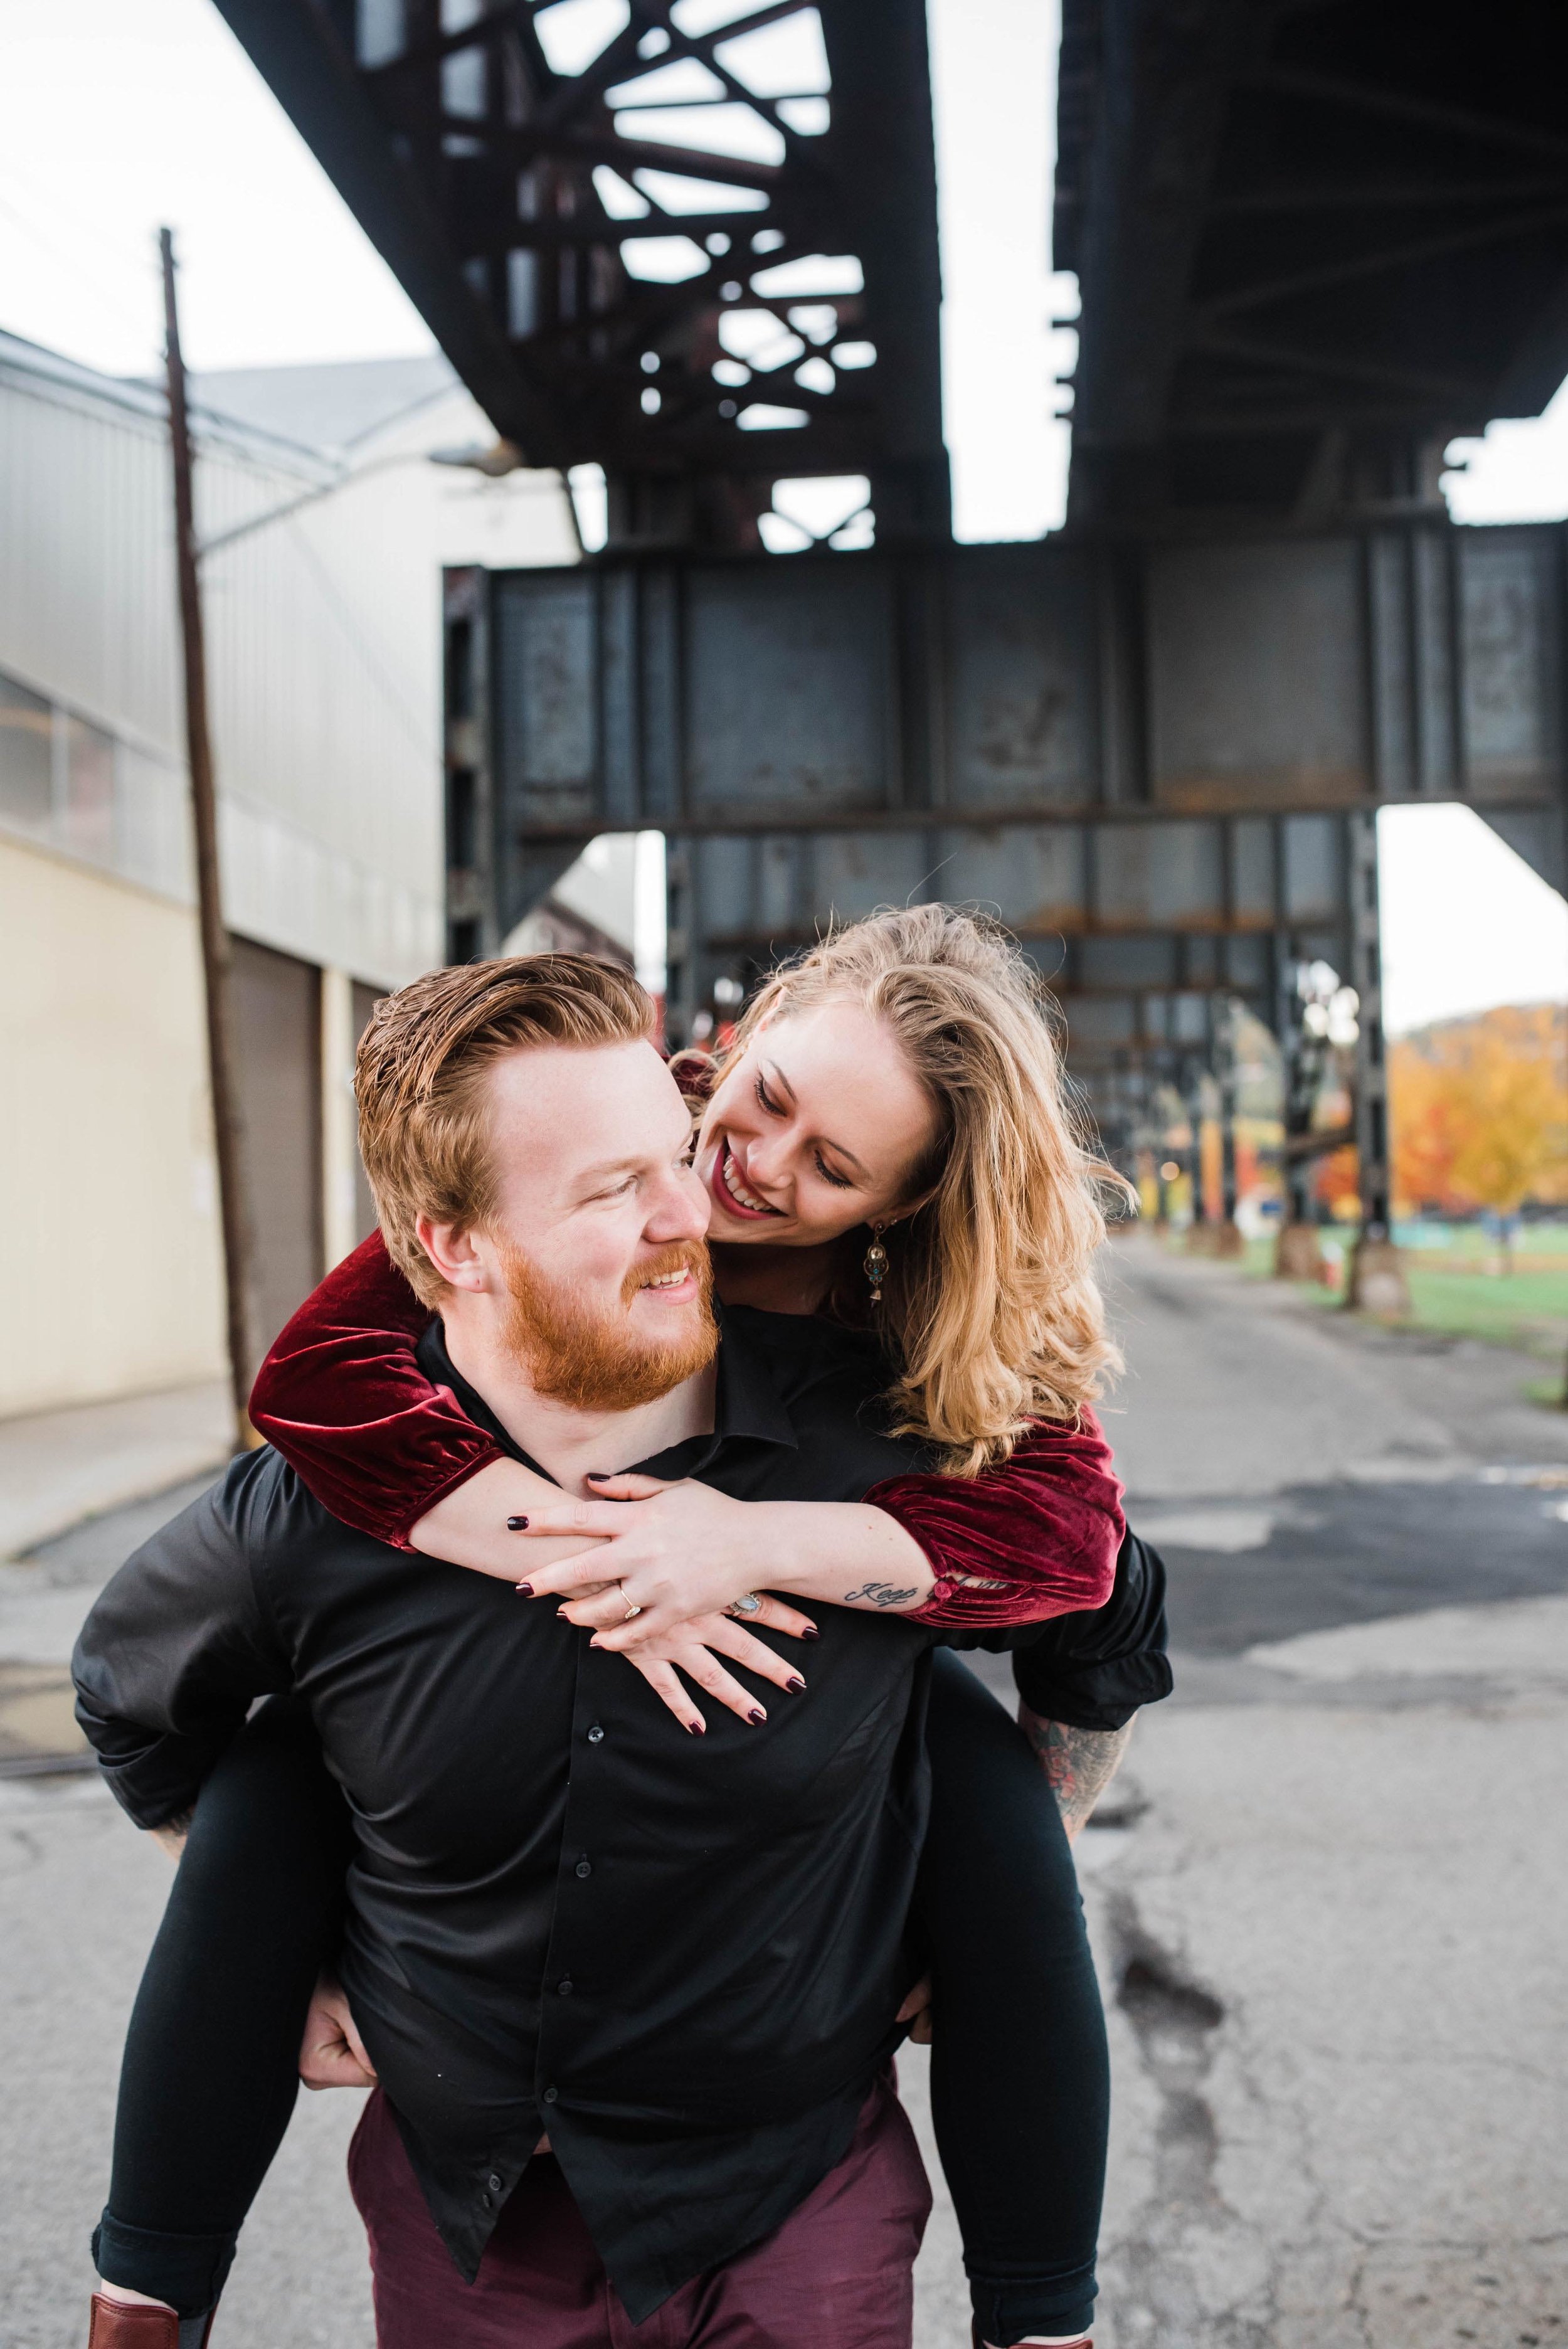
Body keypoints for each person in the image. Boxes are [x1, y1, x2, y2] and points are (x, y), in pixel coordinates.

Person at [81, 917, 1170, 2348]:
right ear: (735, 1042)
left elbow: (1092, 1570)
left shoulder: (910, 1365)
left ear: (894, 1211)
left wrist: (754, 1545)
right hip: (476, 2160)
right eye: (762, 1097)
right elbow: (322, 1371)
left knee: (963, 1767)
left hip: (784, 2141)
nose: (739, 1172)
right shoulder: (567, 1172)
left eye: (831, 1166)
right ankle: (147, 2290)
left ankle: (1042, 2315)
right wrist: (533, 1535)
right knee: (285, 1762)